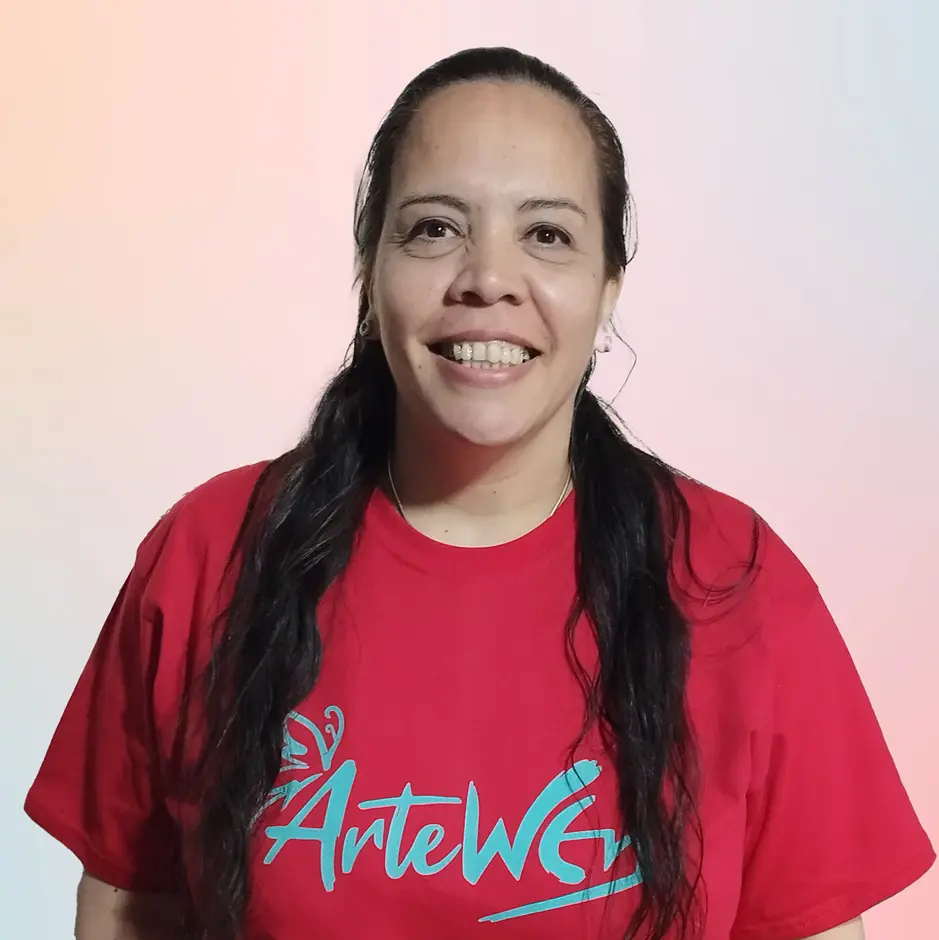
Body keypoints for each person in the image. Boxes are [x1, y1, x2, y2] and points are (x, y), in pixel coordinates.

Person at [25, 46, 933, 940]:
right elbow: (130, 909)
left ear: (607, 288)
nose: (488, 279)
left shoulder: (734, 582)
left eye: (547, 235)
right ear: (369, 272)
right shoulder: (211, 553)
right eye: (433, 228)